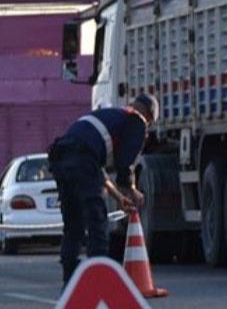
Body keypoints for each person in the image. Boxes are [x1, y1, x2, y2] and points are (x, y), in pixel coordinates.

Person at [48, 93, 158, 284]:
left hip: (61, 157)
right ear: (148, 115)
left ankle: (69, 282)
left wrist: (117, 197)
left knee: (73, 225)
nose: (145, 130)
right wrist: (132, 190)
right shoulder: (136, 120)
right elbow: (125, 164)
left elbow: (96, 170)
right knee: (97, 221)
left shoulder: (109, 116)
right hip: (81, 158)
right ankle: (98, 281)